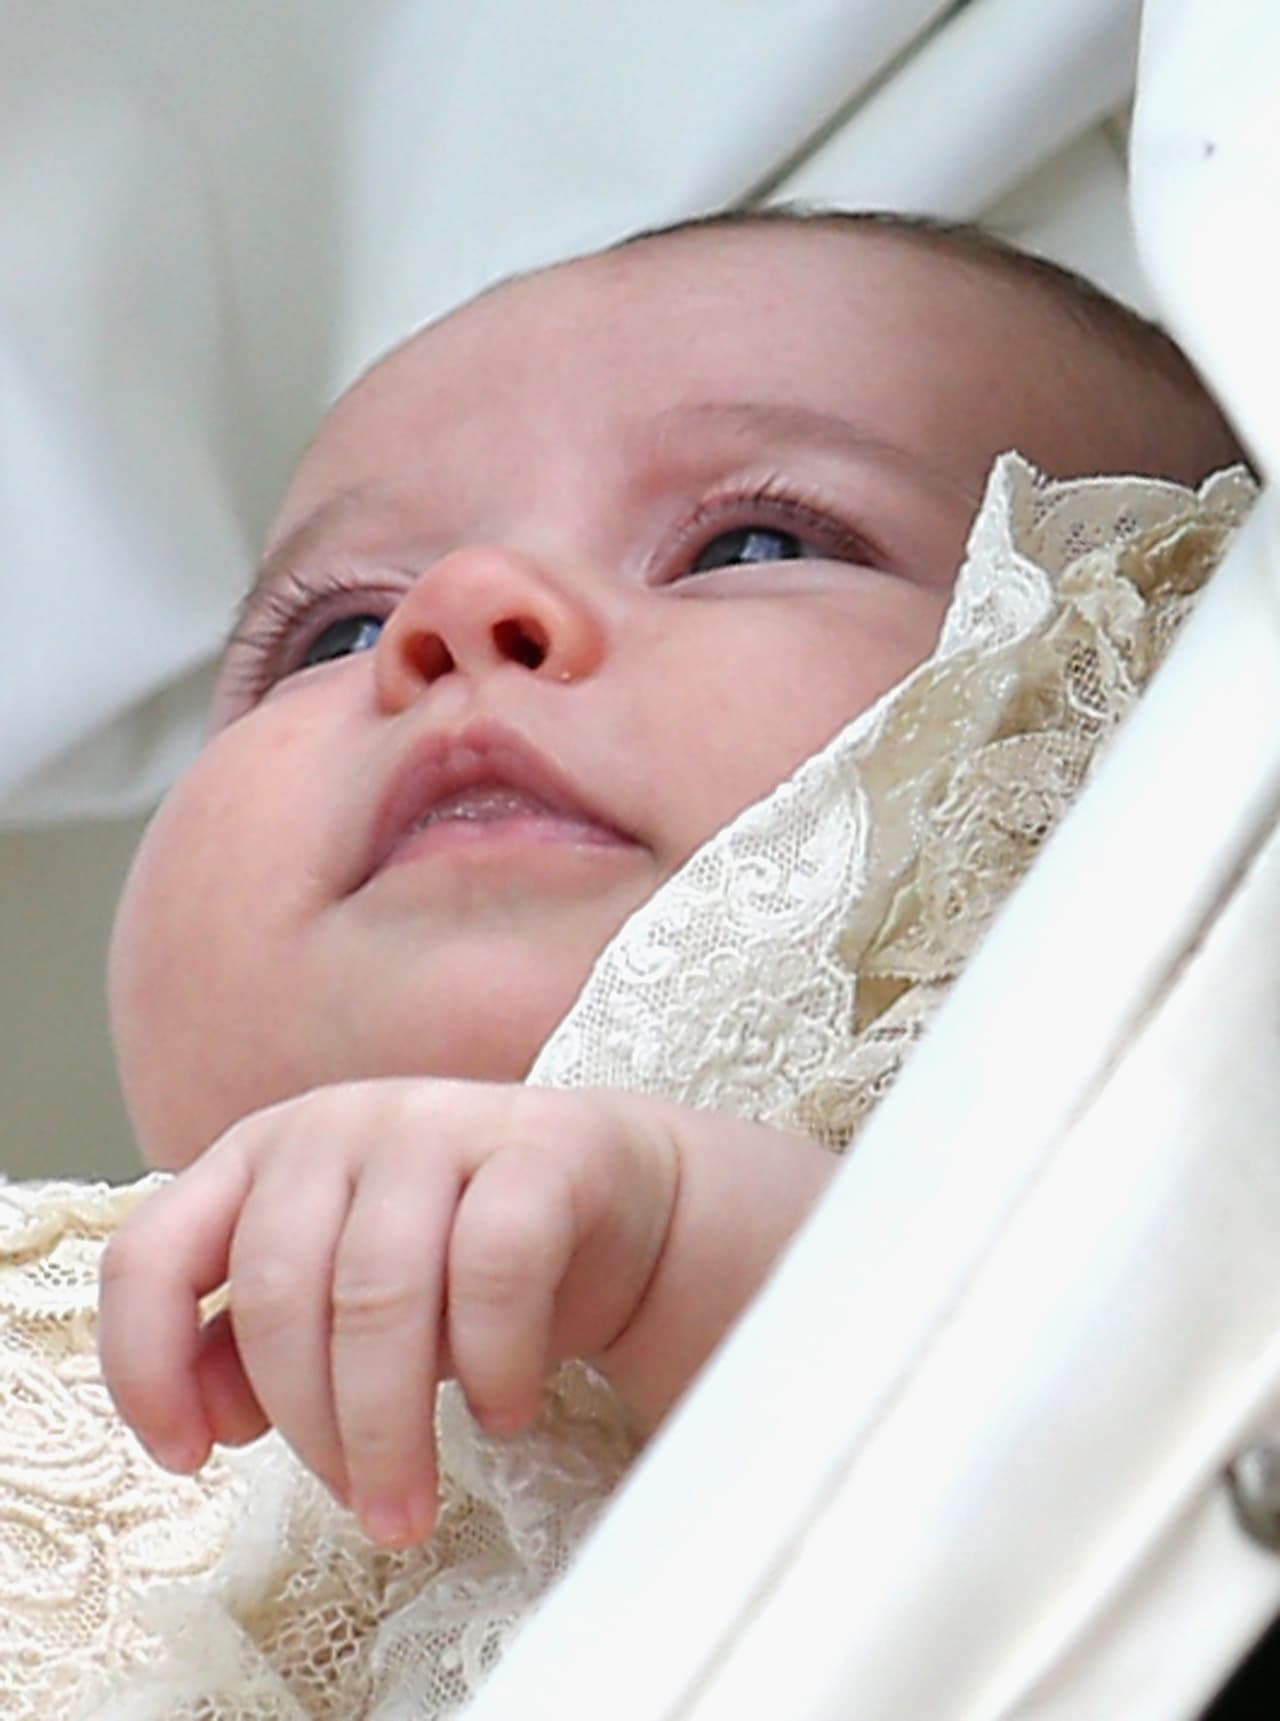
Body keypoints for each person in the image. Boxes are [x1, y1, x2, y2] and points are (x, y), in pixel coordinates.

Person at [0, 210, 1254, 1717]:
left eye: (749, 545)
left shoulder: (1171, 1172)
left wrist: (685, 1251)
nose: (464, 612)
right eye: (335, 633)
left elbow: (1139, 1468)